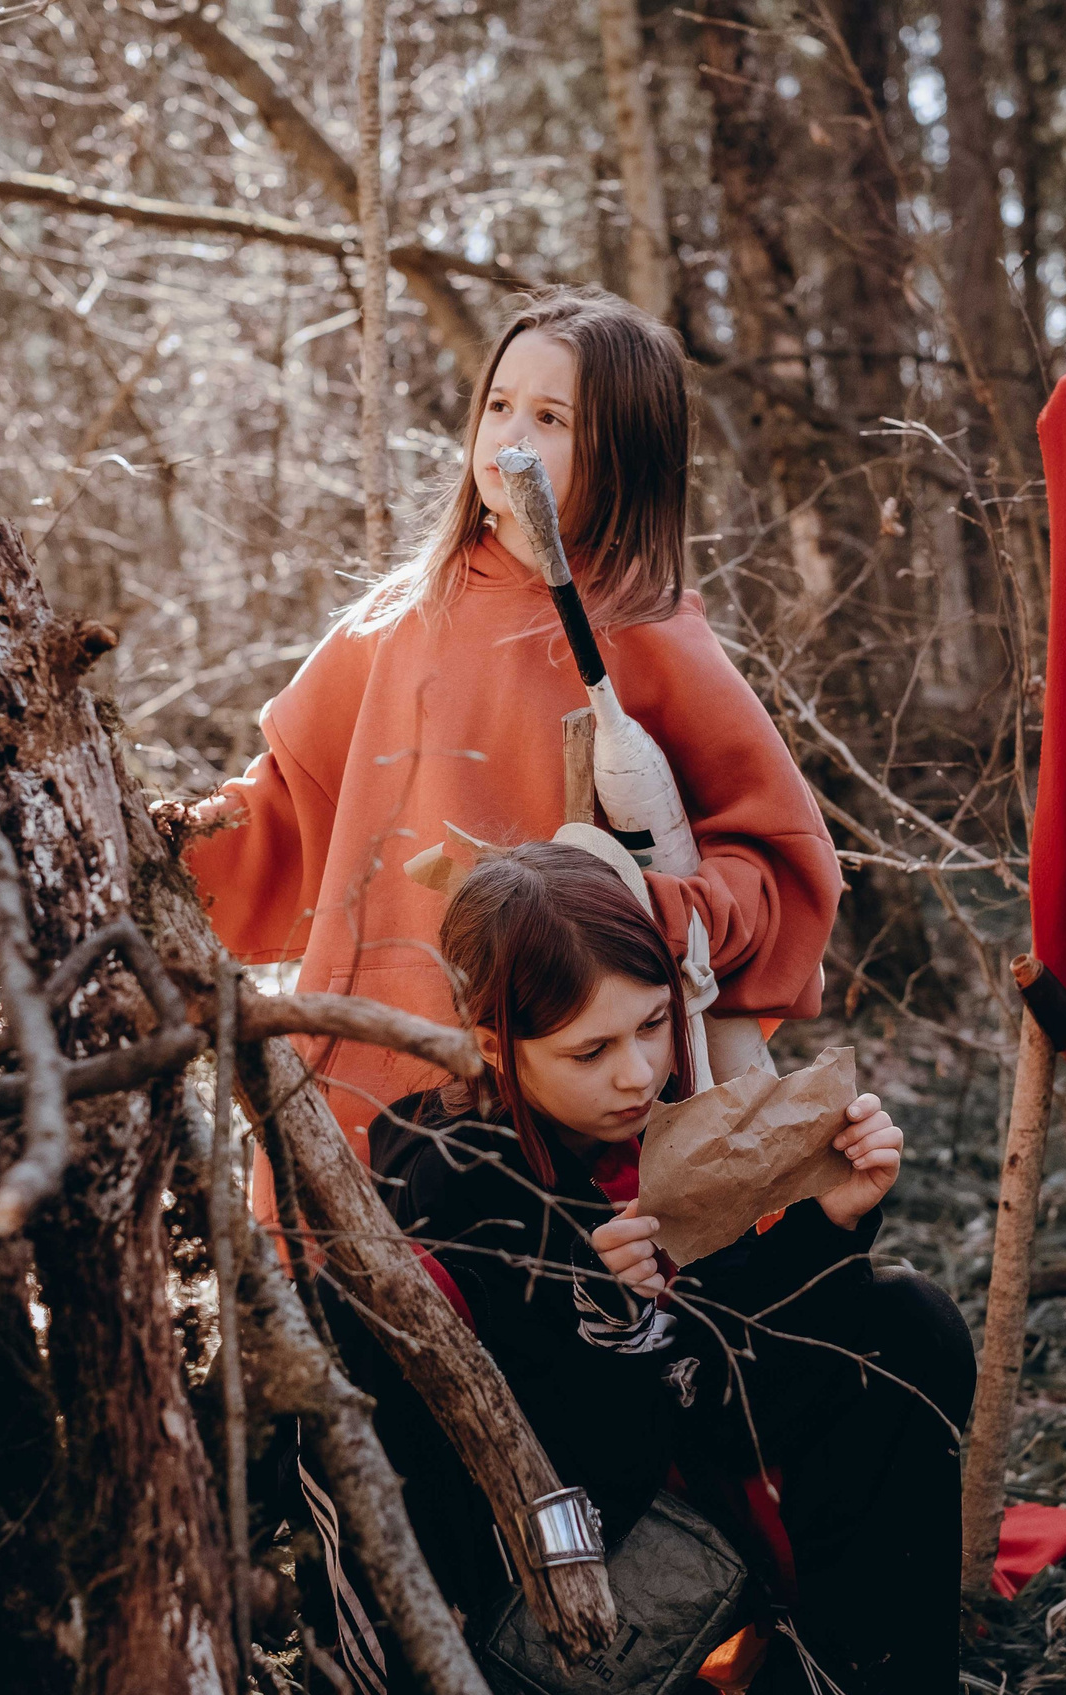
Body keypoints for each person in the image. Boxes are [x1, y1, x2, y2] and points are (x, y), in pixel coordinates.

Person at [166, 286, 841, 1162]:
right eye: (499, 405)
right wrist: (156, 848)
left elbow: (777, 863)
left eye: (552, 417)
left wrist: (658, 914)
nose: (511, 436)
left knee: (559, 1287)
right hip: (383, 1041)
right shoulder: (399, 617)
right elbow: (290, 815)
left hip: (578, 1078)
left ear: (621, 452)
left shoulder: (649, 629)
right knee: (374, 1282)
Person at [345, 842, 975, 1695]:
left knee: (906, 1325)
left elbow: (712, 1340)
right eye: (589, 1049)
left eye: (650, 1025)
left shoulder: (621, 1130)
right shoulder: (459, 1190)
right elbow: (568, 1469)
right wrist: (608, 1322)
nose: (637, 1073)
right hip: (544, 1557)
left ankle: (859, 1680)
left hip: (669, 1426)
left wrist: (829, 1217)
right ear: (495, 1044)